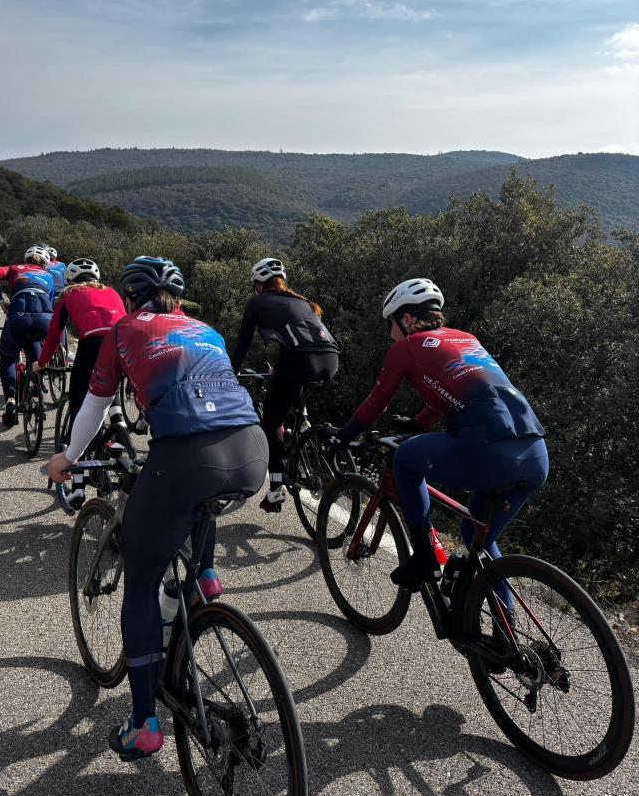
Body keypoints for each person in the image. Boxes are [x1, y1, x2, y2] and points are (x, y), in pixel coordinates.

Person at [47, 256, 267, 762]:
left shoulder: (125, 328)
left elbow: (97, 404)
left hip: (189, 459)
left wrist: (68, 458)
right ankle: (203, 579)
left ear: (131, 295)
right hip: (252, 453)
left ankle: (144, 722)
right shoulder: (205, 328)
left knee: (140, 583)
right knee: (198, 505)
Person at [332, 278, 548, 602]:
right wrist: (417, 422)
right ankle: (508, 639)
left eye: (389, 323)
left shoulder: (405, 347)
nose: (389, 331)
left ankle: (425, 559)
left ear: (405, 319)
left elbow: (377, 402)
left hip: (487, 447)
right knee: (477, 536)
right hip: (534, 452)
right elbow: (451, 391)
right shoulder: (465, 338)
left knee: (404, 459)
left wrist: (344, 435)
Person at [230, 257, 340, 512]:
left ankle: (276, 488)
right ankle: (303, 423)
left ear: (258, 285)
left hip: (301, 361)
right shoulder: (302, 302)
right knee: (291, 384)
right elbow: (296, 343)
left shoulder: (257, 302)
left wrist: (230, 373)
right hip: (331, 360)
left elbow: (243, 343)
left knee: (272, 421)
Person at [33, 257, 125, 508]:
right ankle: (119, 430)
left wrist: (41, 363)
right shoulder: (112, 291)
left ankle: (78, 486)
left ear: (70, 280)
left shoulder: (69, 293)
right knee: (108, 388)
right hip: (123, 345)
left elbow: (54, 333)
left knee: (80, 410)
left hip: (92, 346)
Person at [0, 245, 55, 426]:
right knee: (37, 358)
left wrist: (1, 300)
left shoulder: (15, 268)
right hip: (44, 319)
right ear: (45, 263)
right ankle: (35, 390)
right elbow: (50, 303)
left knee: (8, 358)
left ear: (26, 259)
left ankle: (10, 401)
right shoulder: (48, 276)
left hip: (18, 316)